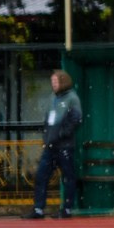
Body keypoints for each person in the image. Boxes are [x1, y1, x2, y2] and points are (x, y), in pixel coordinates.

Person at [33, 69, 85, 219]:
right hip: (51, 145)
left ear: (63, 81)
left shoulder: (72, 98)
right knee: (41, 176)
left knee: (68, 177)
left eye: (55, 82)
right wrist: (47, 136)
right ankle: (38, 209)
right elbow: (47, 120)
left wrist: (61, 134)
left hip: (64, 146)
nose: (53, 85)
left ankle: (67, 208)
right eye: (52, 82)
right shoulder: (52, 98)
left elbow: (75, 120)